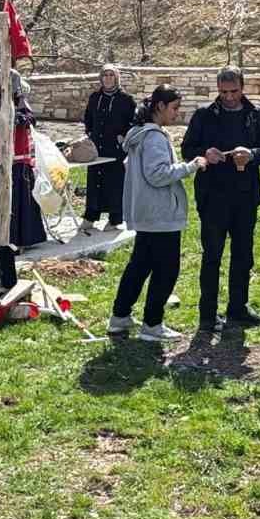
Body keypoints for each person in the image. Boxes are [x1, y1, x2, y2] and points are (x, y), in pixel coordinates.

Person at [108, 85, 207, 342]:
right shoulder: (153, 137)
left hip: (147, 212)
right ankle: (152, 324)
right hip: (160, 214)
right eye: (174, 108)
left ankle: (120, 317)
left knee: (139, 266)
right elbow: (158, 174)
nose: (176, 113)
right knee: (166, 270)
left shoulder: (140, 134)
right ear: (159, 107)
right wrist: (192, 166)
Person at [180, 67, 260, 333]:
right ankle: (208, 315)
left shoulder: (256, 115)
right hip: (213, 195)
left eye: (234, 92)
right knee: (212, 255)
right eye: (223, 92)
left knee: (243, 255)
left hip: (245, 195)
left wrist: (252, 154)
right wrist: (204, 153)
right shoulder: (204, 115)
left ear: (242, 88)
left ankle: (238, 308)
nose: (229, 97)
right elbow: (187, 148)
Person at [0, 71, 47, 249]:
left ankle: (20, 238)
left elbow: (29, 120)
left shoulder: (19, 100)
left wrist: (14, 118)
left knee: (18, 198)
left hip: (17, 157)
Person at [80, 64, 134, 235]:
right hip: (97, 147)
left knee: (115, 183)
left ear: (116, 77)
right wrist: (89, 132)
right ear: (101, 77)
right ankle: (91, 216)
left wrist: (123, 136)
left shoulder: (126, 99)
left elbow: (133, 121)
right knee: (95, 181)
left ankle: (115, 218)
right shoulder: (95, 97)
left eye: (112, 75)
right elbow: (88, 118)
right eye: (105, 75)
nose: (108, 78)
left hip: (115, 148)